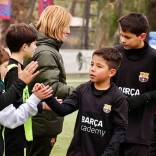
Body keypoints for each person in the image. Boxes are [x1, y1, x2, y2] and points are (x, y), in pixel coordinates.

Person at [43, 47, 128, 156]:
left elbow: (120, 131)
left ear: (111, 72)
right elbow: (62, 110)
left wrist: (108, 153)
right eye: (92, 64)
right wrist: (48, 97)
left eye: (99, 66)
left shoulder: (118, 98)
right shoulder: (82, 90)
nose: (93, 69)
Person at [27, 5, 74, 156]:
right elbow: (50, 88)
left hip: (40, 120)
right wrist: (81, 91)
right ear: (56, 25)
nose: (69, 31)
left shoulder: (43, 47)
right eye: (66, 26)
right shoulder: (45, 52)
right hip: (42, 122)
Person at [113, 12, 156, 156]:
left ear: (142, 36)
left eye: (127, 37)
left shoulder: (153, 58)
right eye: (121, 35)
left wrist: (143, 98)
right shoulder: (115, 53)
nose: (122, 40)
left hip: (141, 133)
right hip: (113, 127)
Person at [4, 23, 38, 156]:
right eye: (34, 44)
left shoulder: (18, 67)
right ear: (24, 46)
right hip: (13, 132)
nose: (36, 47)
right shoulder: (13, 71)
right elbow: (10, 105)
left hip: (18, 129)